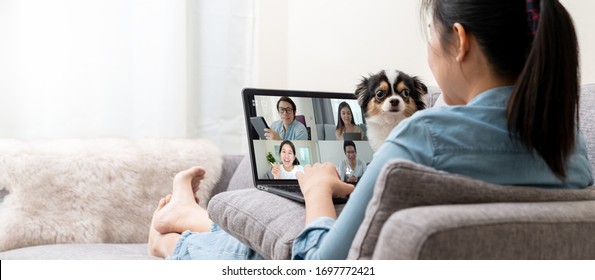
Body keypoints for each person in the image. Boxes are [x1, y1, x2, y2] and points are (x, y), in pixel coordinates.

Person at [148, 0, 593, 260]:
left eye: (431, 39)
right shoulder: (571, 146)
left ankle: (170, 240)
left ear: (459, 42)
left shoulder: (423, 135)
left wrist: (320, 190)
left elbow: (321, 265)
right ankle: (185, 219)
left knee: (256, 247)